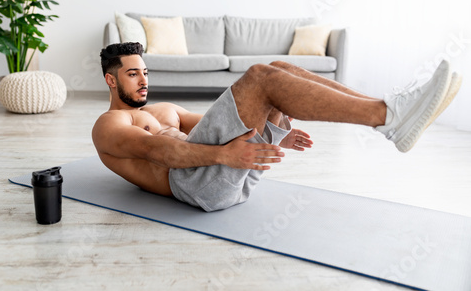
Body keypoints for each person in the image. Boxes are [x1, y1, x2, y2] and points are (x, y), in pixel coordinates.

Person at [93, 42, 461, 212]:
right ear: (112, 81)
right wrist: (224, 154)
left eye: (145, 71)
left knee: (277, 68)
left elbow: (218, 122)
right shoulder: (109, 124)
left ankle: (389, 117)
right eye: (132, 74)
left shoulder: (165, 108)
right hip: (196, 186)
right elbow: (161, 152)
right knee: (259, 77)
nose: (143, 80)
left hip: (225, 173)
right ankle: (390, 117)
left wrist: (278, 127)